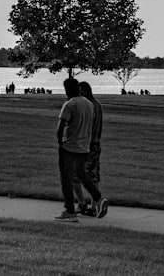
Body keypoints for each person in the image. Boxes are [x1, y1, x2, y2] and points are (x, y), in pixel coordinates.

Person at [55, 77, 108, 222]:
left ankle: (69, 210)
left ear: (67, 89)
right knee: (81, 174)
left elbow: (61, 127)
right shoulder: (89, 104)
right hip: (84, 147)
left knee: (66, 179)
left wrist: (60, 142)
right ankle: (97, 198)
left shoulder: (69, 104)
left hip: (70, 146)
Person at [72, 81, 103, 215]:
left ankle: (81, 202)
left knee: (75, 174)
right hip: (96, 144)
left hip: (86, 145)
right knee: (93, 175)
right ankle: (94, 206)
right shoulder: (98, 105)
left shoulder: (88, 106)